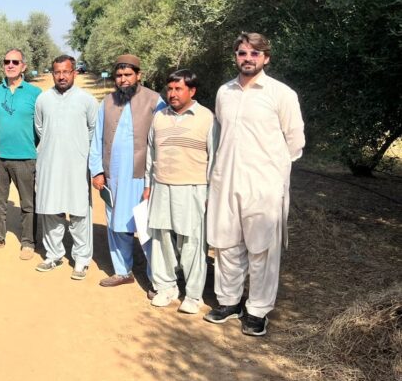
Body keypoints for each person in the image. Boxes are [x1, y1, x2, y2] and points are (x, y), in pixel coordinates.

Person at [205, 32, 304, 337]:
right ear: (235, 56)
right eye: (241, 53)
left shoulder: (281, 94)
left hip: (263, 186)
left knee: (262, 249)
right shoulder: (225, 92)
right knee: (226, 244)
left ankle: (257, 310)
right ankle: (229, 301)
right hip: (226, 179)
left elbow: (295, 142)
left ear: (266, 58)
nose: (247, 58)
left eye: (253, 54)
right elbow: (221, 135)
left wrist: (272, 176)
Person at [89, 54, 166, 290]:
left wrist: (155, 178)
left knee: (146, 225)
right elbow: (97, 139)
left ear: (138, 75)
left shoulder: (155, 100)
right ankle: (123, 271)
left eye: (128, 75)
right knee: (116, 223)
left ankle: (158, 280)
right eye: (119, 75)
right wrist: (97, 170)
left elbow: (162, 139)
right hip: (113, 176)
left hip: (142, 176)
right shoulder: (108, 102)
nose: (123, 80)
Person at [144, 70, 217, 314]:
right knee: (161, 238)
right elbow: (150, 154)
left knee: (192, 243)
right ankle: (166, 287)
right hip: (161, 186)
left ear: (192, 91)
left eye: (178, 89)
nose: (172, 94)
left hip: (193, 189)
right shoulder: (159, 117)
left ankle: (193, 296)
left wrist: (210, 193)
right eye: (170, 89)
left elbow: (215, 159)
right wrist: (148, 185)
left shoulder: (206, 118)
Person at [34, 55, 98, 280]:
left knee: (80, 212)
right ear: (52, 73)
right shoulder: (43, 99)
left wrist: (78, 150)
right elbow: (40, 128)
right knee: (51, 210)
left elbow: (93, 130)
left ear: (74, 73)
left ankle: (81, 259)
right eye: (57, 72)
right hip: (50, 163)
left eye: (66, 72)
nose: (61, 76)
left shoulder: (87, 100)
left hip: (77, 165)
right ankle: (54, 254)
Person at [0, 48, 42, 260]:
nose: (10, 65)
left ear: (23, 67)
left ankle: (28, 242)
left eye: (15, 62)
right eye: (6, 61)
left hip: (26, 157)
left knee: (28, 203)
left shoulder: (34, 93)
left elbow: (42, 125)